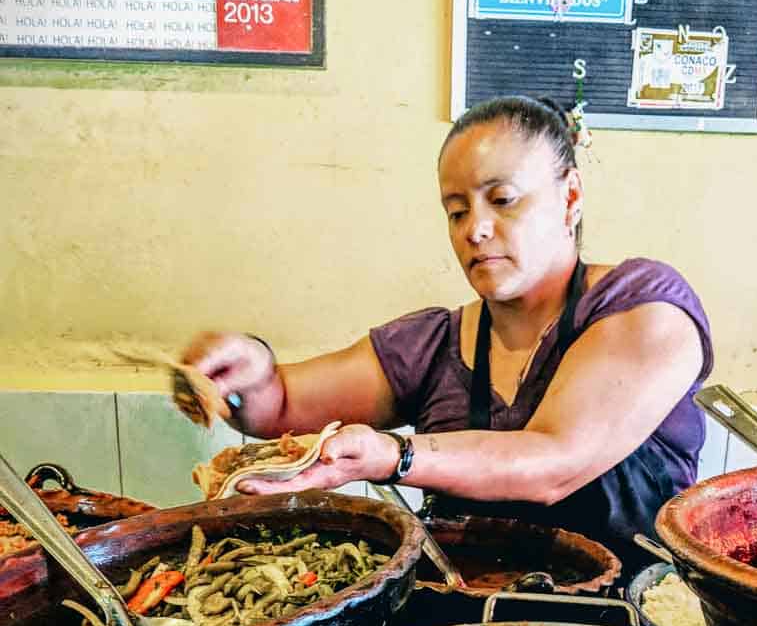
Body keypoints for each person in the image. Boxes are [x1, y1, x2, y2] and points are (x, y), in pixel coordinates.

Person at [180, 95, 712, 571]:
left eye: (502, 200)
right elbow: (279, 405)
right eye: (456, 211)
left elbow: (554, 461)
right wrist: (244, 371)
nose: (474, 230)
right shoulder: (433, 344)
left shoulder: (644, 306)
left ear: (570, 197)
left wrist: (396, 456)